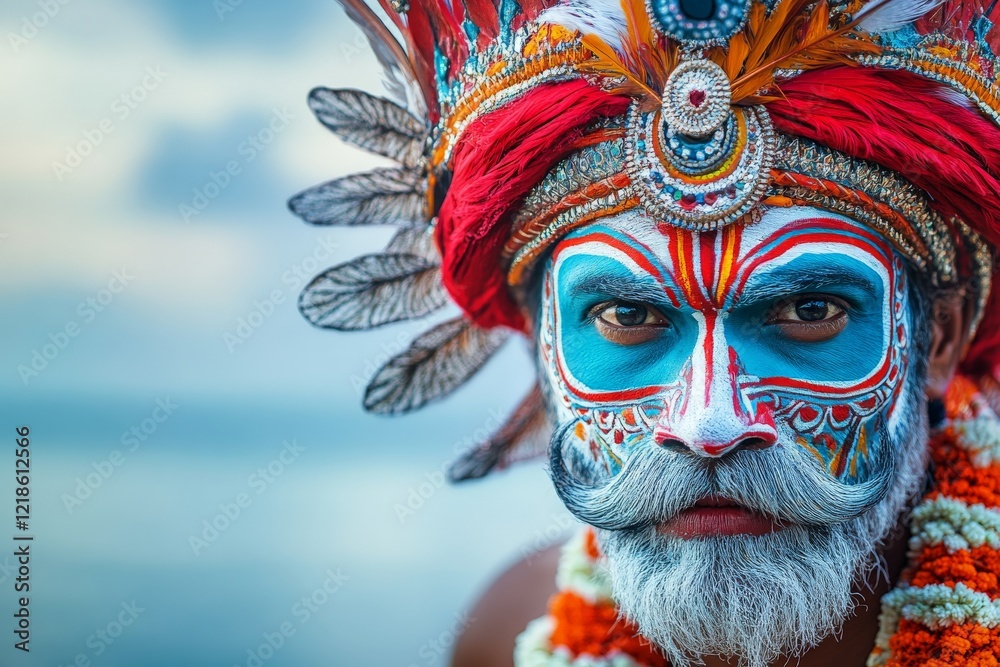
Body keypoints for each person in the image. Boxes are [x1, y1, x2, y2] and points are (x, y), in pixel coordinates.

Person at [289, 0, 1000, 664]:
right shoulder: (508, 632)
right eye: (628, 316)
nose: (709, 422)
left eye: (808, 311)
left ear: (936, 337)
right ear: (542, 347)